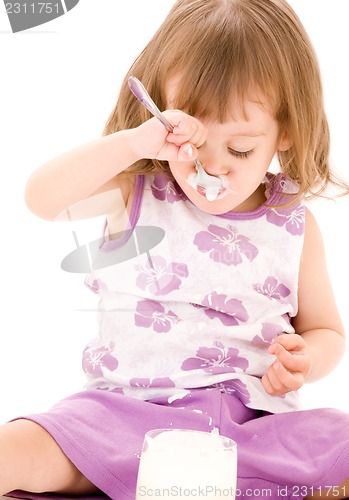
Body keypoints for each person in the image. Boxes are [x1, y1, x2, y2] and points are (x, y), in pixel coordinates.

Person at [1, 0, 349, 498]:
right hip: (122, 418)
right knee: (14, 449)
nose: (212, 170)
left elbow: (326, 330)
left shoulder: (294, 224)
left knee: (338, 441)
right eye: (193, 146)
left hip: (250, 427)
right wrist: (131, 146)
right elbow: (42, 199)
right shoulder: (134, 188)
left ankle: (267, 483)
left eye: (240, 150)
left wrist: (307, 359)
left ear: (287, 130)